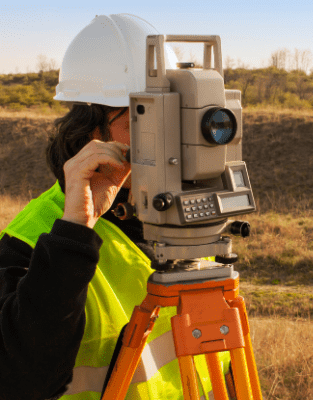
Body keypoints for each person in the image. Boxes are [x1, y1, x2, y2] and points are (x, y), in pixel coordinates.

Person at [0, 14, 232, 400]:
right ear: (92, 133)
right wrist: (76, 231)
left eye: (177, 118)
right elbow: (16, 381)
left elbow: (220, 367)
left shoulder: (183, 225)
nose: (172, 141)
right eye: (147, 119)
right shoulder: (31, 239)